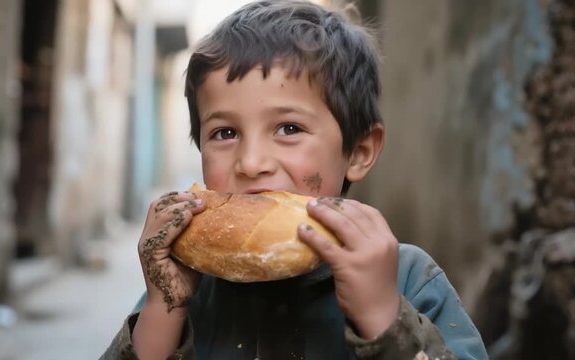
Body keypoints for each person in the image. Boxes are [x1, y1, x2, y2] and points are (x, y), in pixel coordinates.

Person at [101, 1, 487, 359]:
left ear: (358, 152)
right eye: (225, 133)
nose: (251, 163)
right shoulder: (190, 287)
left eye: (288, 128)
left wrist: (384, 318)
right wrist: (163, 305)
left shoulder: (406, 277)